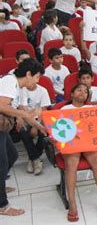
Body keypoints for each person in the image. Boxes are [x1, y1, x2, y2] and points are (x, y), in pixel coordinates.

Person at [0, 59, 47, 217]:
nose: (37, 81)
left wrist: (40, 127)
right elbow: (1, 105)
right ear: (28, 74)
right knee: (1, 163)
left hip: (2, 127)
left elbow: (23, 112)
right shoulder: (9, 80)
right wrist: (25, 114)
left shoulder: (20, 88)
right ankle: (2, 205)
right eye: (37, 77)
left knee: (12, 155)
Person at [60, 84, 97, 221]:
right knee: (71, 164)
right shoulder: (64, 109)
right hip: (72, 143)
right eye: (79, 90)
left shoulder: (91, 109)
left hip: (88, 142)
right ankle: (73, 204)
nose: (83, 93)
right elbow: (59, 131)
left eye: (86, 91)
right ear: (71, 94)